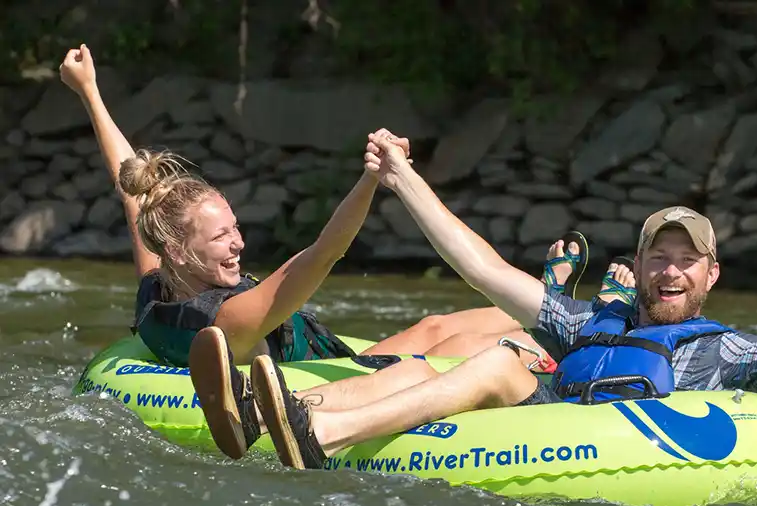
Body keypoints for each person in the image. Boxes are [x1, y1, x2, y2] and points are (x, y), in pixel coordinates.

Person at [190, 129, 757, 470]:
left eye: (685, 263)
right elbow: (480, 266)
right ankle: (281, 416)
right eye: (657, 258)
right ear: (637, 265)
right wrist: (402, 179)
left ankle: (319, 433)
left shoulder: (726, 355)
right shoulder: (585, 322)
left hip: (606, 446)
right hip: (542, 413)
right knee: (451, 360)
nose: (669, 273)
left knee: (497, 362)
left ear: (710, 276)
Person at [57, 44, 635, 459]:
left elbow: (131, 188)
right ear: (181, 251)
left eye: (235, 226)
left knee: (439, 320)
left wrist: (89, 93)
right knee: (472, 345)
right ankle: (593, 336)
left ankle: (563, 306)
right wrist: (370, 181)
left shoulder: (157, 282)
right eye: (221, 237)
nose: (239, 242)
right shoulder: (226, 318)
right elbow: (324, 254)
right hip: (356, 370)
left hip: (330, 347)